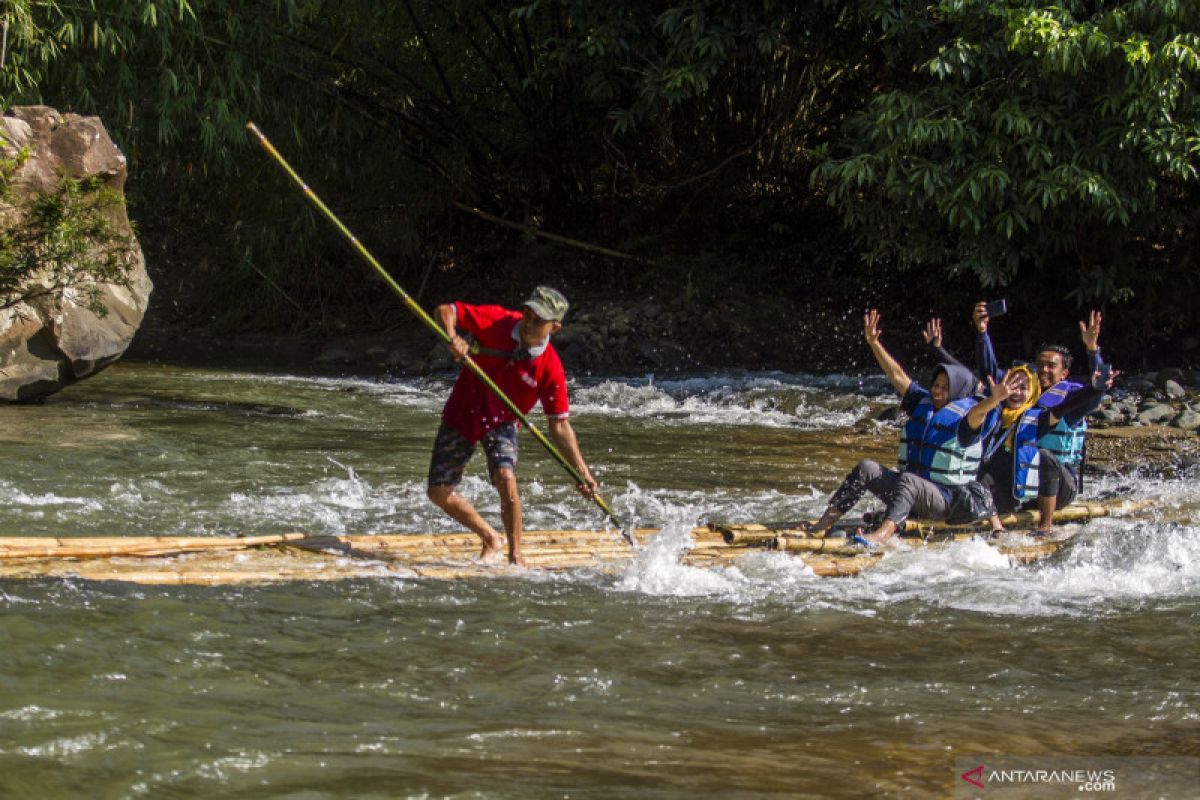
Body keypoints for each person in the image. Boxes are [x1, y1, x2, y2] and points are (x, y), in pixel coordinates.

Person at [426, 286, 598, 566]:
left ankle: (515, 556)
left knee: (506, 476)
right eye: (527, 314)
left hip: (502, 421)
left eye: (538, 320)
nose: (528, 323)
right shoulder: (497, 320)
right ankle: (490, 536)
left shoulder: (550, 368)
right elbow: (446, 310)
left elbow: (560, 426)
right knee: (438, 492)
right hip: (462, 412)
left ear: (554, 327)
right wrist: (453, 336)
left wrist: (582, 472)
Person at [805, 310, 1000, 544]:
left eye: (945, 387)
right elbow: (897, 375)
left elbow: (981, 410)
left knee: (909, 480)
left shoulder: (968, 419)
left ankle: (881, 535)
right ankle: (822, 524)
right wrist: (874, 343)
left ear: (958, 392)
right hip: (911, 494)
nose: (937, 391)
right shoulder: (922, 401)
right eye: (936, 385)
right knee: (866, 467)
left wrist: (995, 399)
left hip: (945, 501)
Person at [972, 303, 1108, 530]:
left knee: (1045, 456)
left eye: (1051, 366)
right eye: (1040, 365)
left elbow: (1095, 394)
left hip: (1061, 486)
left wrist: (1093, 351)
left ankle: (1045, 527)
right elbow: (990, 375)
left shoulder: (1069, 400)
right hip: (1026, 483)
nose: (1043, 370)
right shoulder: (1025, 394)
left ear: (1064, 373)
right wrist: (982, 333)